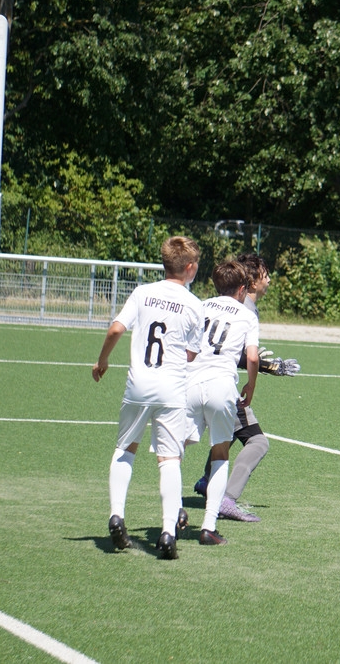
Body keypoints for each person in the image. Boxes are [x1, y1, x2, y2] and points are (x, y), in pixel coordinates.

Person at [92, 235, 203, 560]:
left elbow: (116, 329)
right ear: (190, 267)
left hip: (138, 385)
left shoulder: (142, 293)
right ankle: (168, 532)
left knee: (125, 449)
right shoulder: (194, 305)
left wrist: (102, 361)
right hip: (172, 389)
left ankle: (117, 514)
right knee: (169, 460)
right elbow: (191, 355)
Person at [192, 253, 299, 522]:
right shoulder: (245, 310)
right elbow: (240, 355)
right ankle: (226, 499)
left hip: (194, 381)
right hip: (220, 384)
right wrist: (270, 367)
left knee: (221, 434)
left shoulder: (209, 304)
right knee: (257, 442)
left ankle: (206, 481)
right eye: (265, 275)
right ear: (250, 282)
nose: (269, 280)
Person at [186, 261, 260, 546]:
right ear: (242, 289)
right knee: (220, 453)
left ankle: (174, 514)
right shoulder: (247, 315)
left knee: (174, 450)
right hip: (221, 385)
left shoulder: (201, 306)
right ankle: (208, 526)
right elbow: (252, 357)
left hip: (191, 382)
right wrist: (250, 386)